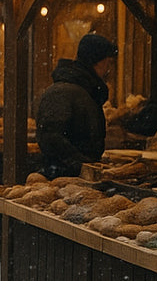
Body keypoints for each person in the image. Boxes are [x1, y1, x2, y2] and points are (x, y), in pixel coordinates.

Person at [37, 33, 117, 179]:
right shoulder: (65, 92)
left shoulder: (86, 91)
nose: (108, 69)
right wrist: (80, 165)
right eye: (108, 62)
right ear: (99, 61)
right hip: (64, 179)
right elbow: (51, 138)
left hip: (76, 178)